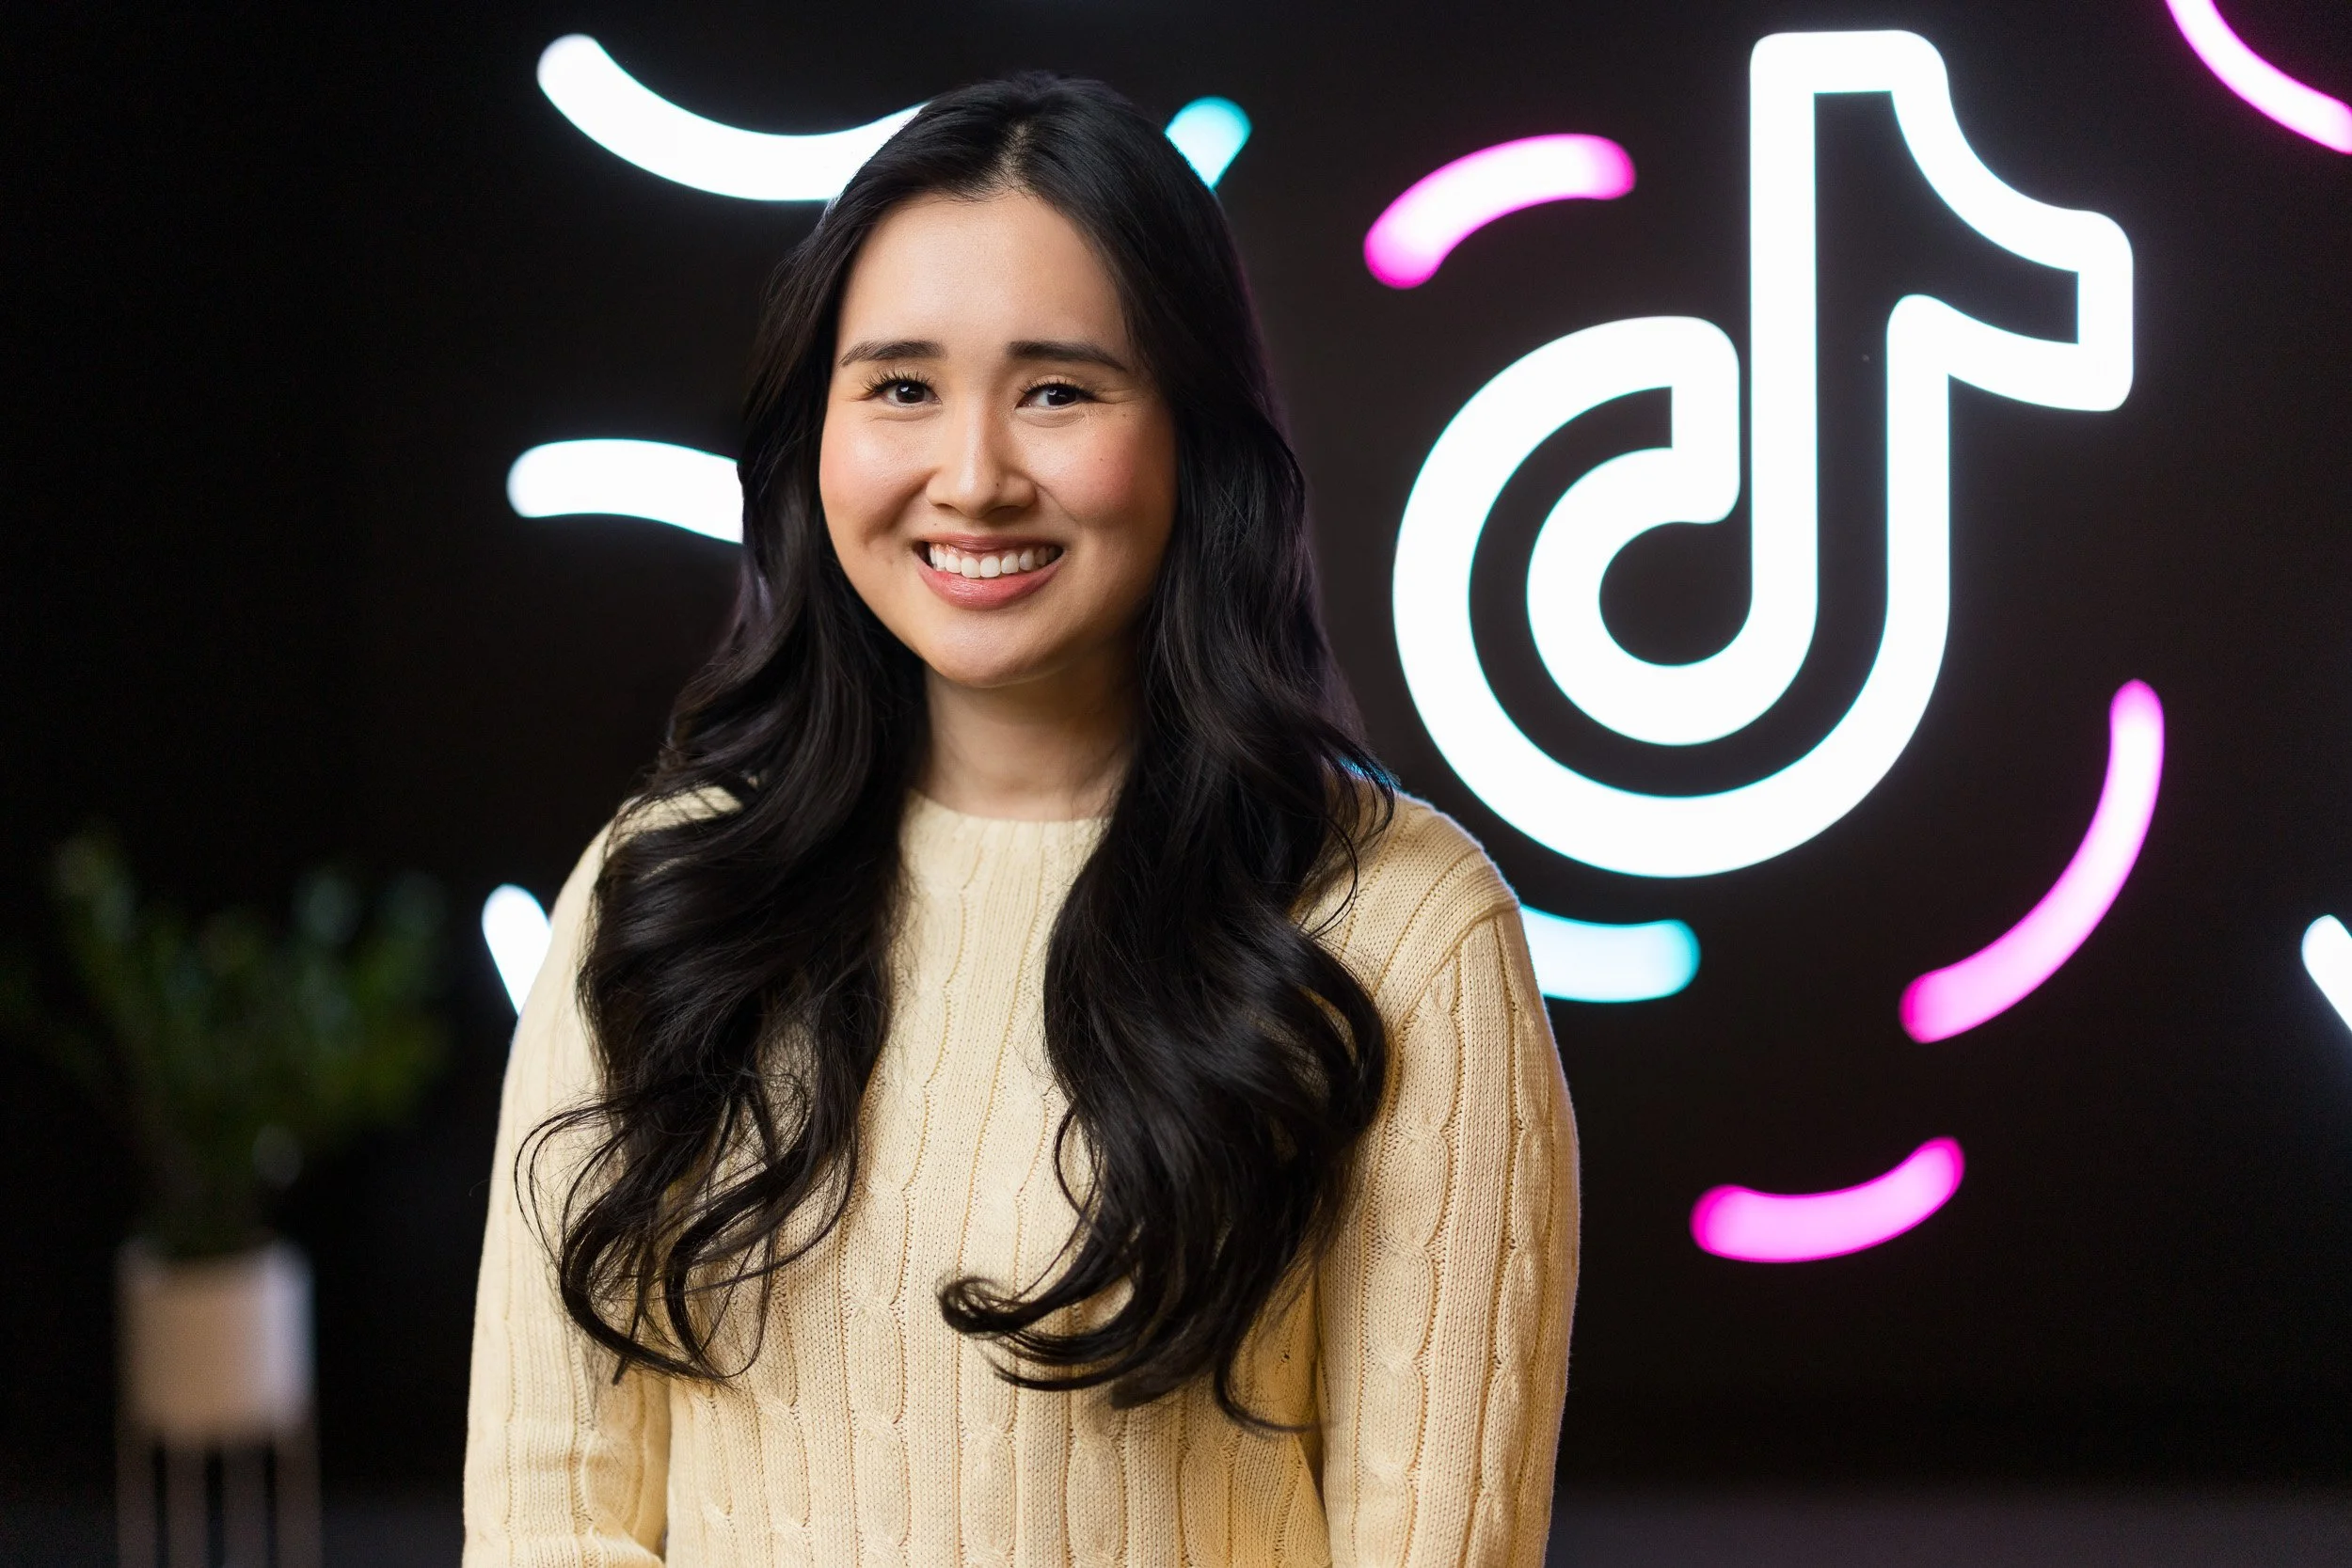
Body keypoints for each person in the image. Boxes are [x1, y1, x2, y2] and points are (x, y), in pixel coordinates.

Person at [464, 71, 1576, 1568]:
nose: (973, 477)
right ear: (819, 435)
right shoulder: (660, 892)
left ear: (1193, 437)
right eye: (901, 387)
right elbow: (550, 1520)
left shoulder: (1400, 931)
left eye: (1058, 388)